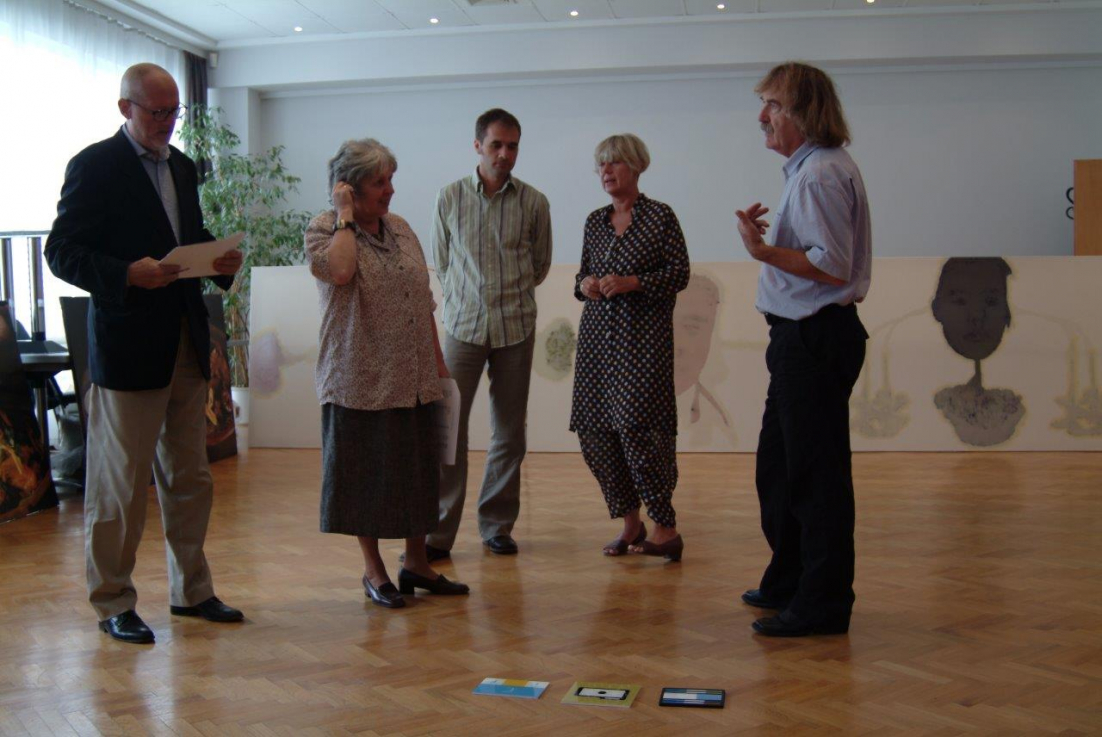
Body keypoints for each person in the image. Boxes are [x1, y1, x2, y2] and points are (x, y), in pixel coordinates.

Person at [45, 63, 245, 644]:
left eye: (174, 111)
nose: (167, 122)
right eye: (157, 112)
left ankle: (192, 590)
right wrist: (125, 274)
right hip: (129, 347)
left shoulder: (181, 165)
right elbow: (62, 251)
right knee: (120, 486)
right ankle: (113, 600)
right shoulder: (94, 165)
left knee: (190, 478)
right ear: (124, 108)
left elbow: (188, 238)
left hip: (185, 340)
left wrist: (219, 261)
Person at [734, 62, 871, 637]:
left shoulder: (818, 175)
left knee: (814, 477)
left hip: (813, 337)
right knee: (781, 470)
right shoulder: (812, 169)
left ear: (804, 112)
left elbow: (830, 266)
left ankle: (822, 603)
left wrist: (762, 252)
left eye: (773, 104)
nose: (762, 116)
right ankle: (789, 579)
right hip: (804, 338)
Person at [305, 139, 469, 609]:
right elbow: (340, 272)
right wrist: (344, 215)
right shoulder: (324, 229)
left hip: (414, 373)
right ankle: (373, 570)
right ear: (349, 187)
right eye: (379, 182)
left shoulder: (400, 227)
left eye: (390, 179)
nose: (390, 190)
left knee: (419, 471)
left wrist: (438, 365)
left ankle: (416, 563)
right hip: (358, 377)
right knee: (367, 476)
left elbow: (422, 298)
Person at [428, 109, 552, 558]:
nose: (504, 153)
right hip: (463, 329)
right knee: (448, 433)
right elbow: (442, 262)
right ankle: (437, 534)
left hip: (515, 328)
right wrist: (466, 299)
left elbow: (539, 265)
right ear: (477, 145)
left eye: (512, 146)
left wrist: (508, 297)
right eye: (496, 144)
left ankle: (497, 526)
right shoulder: (449, 197)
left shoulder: (534, 202)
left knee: (509, 432)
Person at [570, 134, 690, 561]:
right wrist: (585, 284)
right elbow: (581, 276)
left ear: (636, 166)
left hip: (642, 344)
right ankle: (630, 523)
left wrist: (632, 282)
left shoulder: (660, 217)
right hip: (597, 345)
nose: (606, 171)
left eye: (615, 163)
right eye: (601, 164)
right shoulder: (594, 221)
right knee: (595, 432)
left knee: (639, 429)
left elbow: (679, 273)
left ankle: (665, 527)